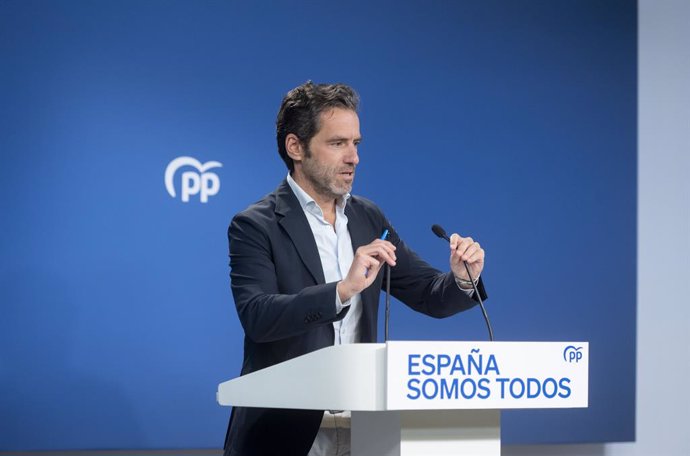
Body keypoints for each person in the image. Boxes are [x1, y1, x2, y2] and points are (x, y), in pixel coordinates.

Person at [223, 81, 487, 456]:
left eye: (356, 144)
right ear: (295, 147)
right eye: (337, 143)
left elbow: (429, 295)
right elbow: (258, 316)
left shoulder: (367, 216)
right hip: (285, 432)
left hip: (366, 427)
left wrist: (463, 279)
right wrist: (340, 291)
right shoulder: (256, 224)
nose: (354, 158)